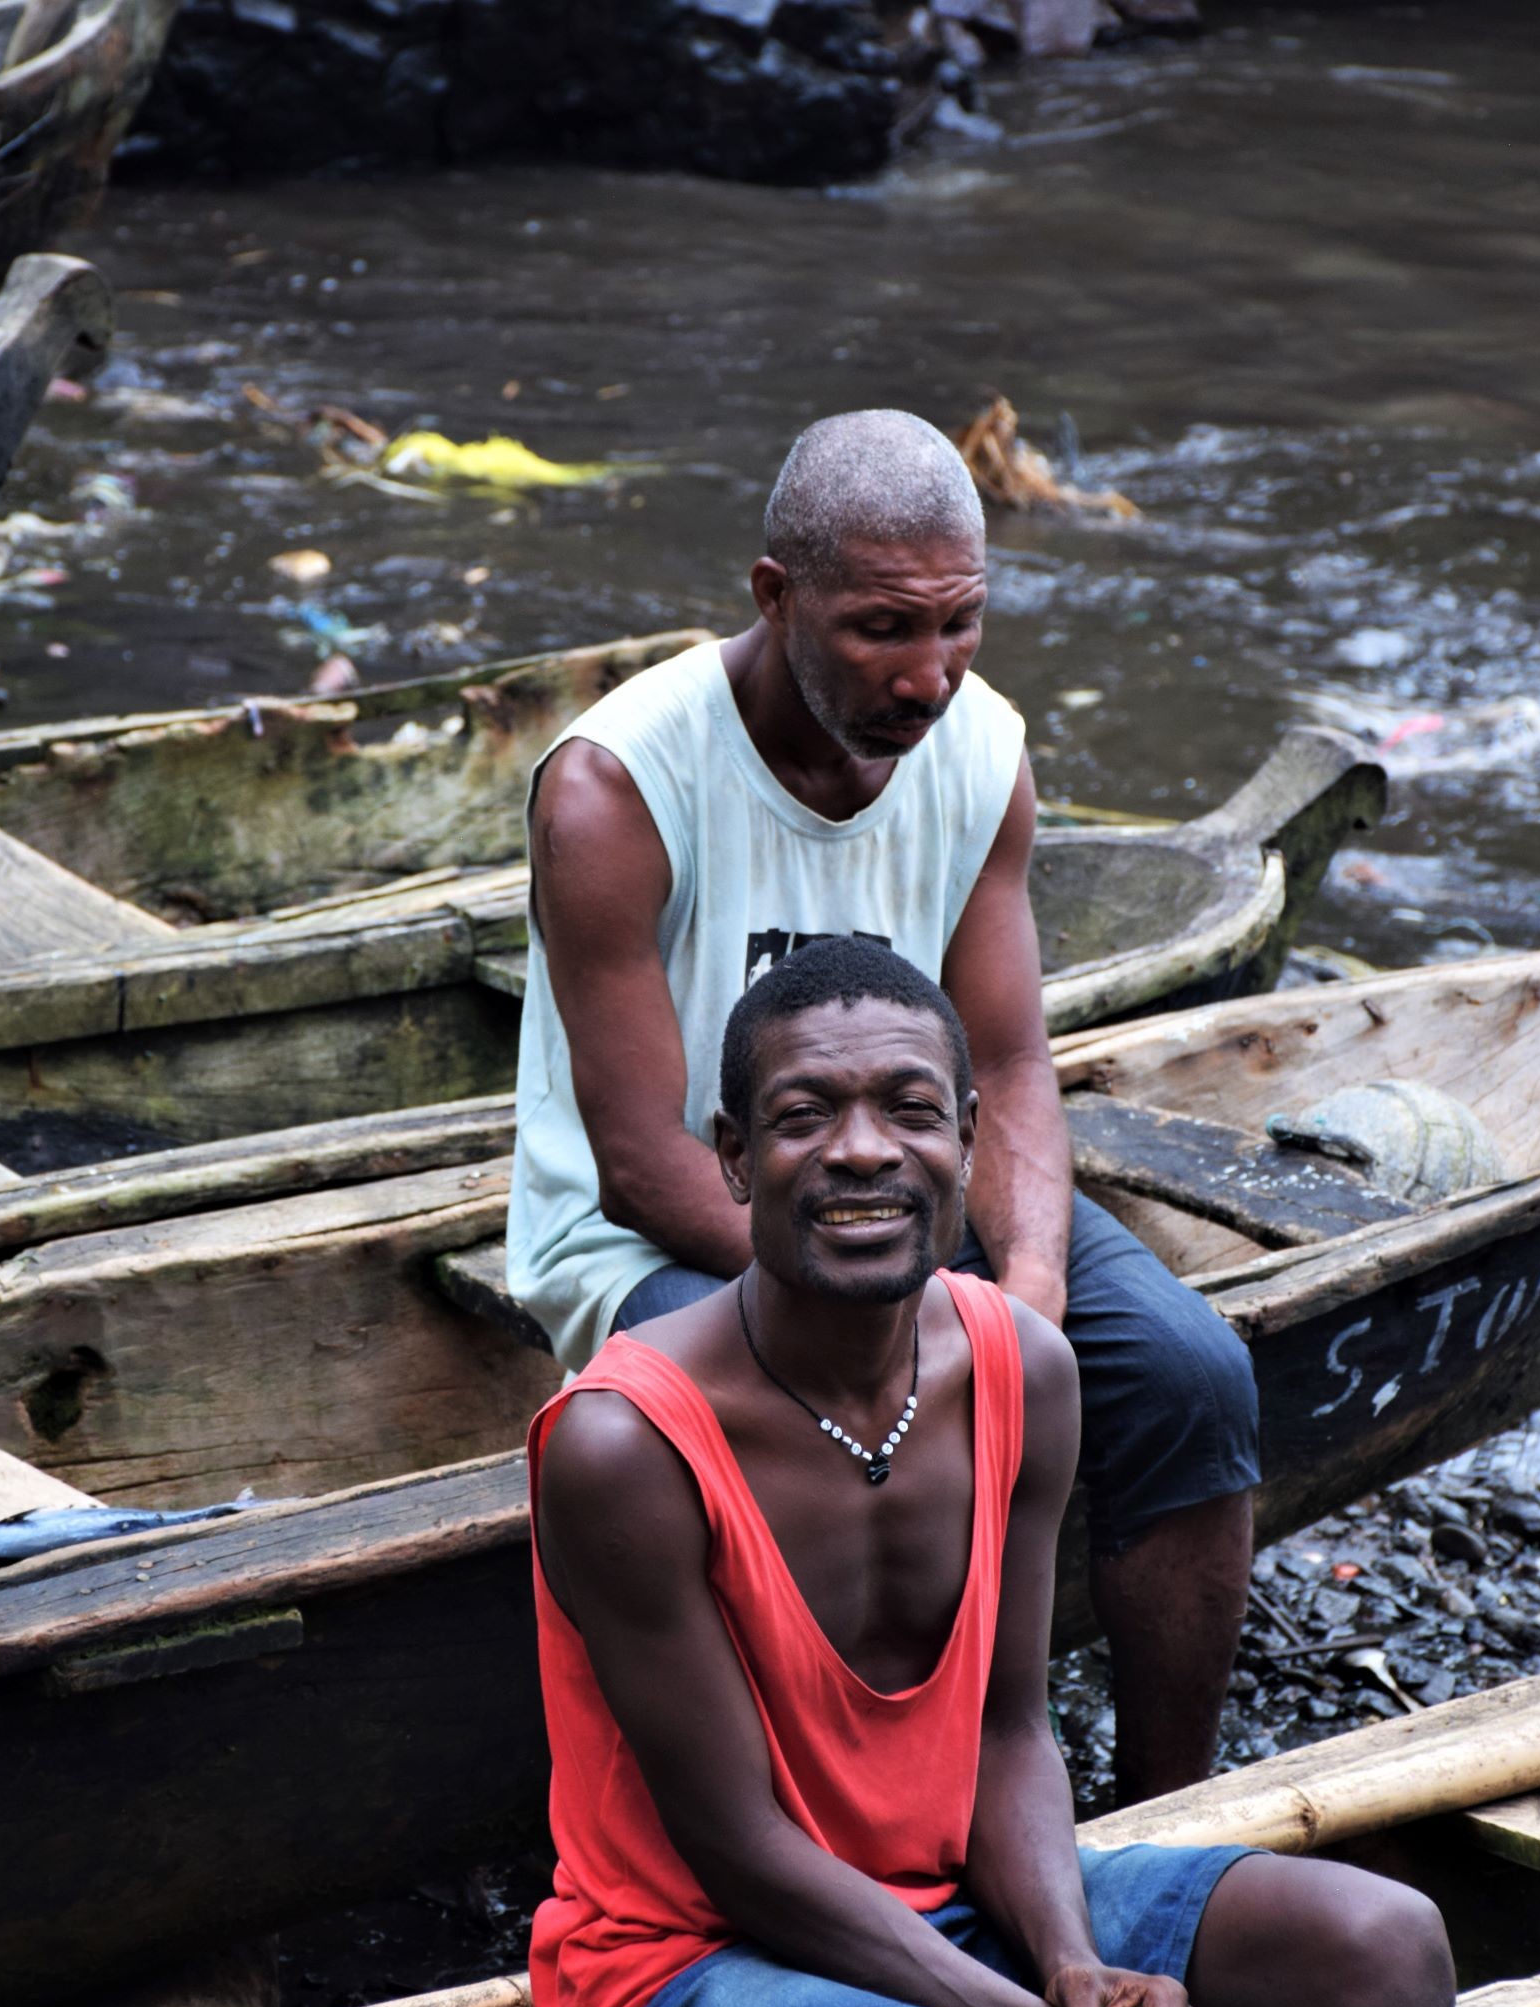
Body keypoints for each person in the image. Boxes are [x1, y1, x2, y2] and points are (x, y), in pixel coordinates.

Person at [528, 938, 1456, 2007]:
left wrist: (1070, 1965)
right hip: (689, 1957)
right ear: (732, 1158)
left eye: (909, 1110)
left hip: (952, 1903)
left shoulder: (1023, 1364)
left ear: (967, 1142)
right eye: (805, 1116)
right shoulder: (625, 1444)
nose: (861, 1151)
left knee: (1388, 1947)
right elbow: (734, 1845)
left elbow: (1009, 1734)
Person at [509, 405, 1256, 1801]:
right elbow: (634, 1161)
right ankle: (839, 1825)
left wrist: (1022, 1284)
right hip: (686, 1231)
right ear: (775, 597)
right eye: (883, 631)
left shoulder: (980, 749)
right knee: (789, 1428)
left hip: (916, 1205)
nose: (930, 678)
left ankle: (1171, 1810)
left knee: (1189, 1373)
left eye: (960, 626)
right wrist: (913, 1323)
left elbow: (1012, 1060)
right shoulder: (620, 789)